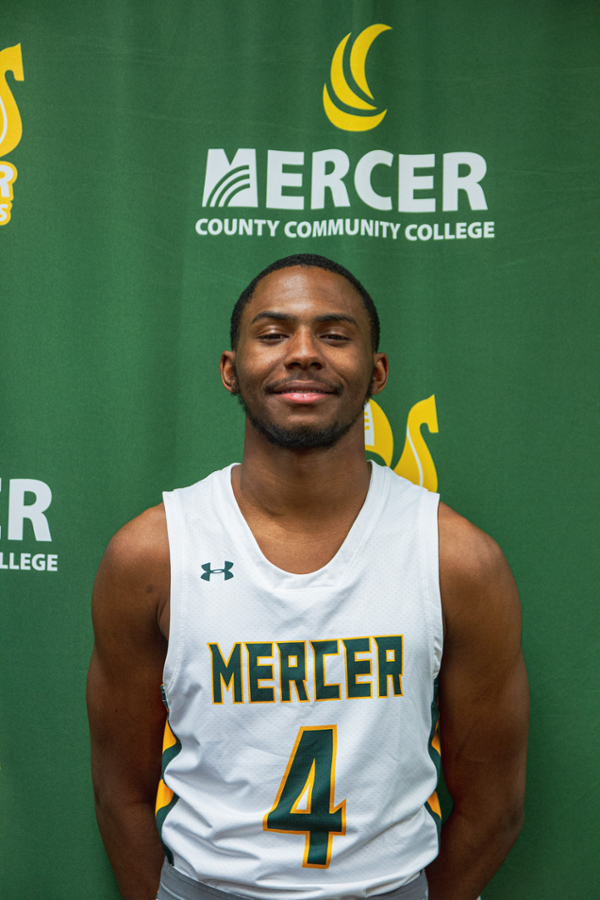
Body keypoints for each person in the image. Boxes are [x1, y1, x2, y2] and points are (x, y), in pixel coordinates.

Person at [87, 254, 529, 900]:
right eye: (273, 334)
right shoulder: (151, 556)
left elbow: (495, 805)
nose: (303, 354)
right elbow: (120, 793)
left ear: (377, 372)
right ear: (230, 369)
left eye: (335, 335)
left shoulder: (458, 560)